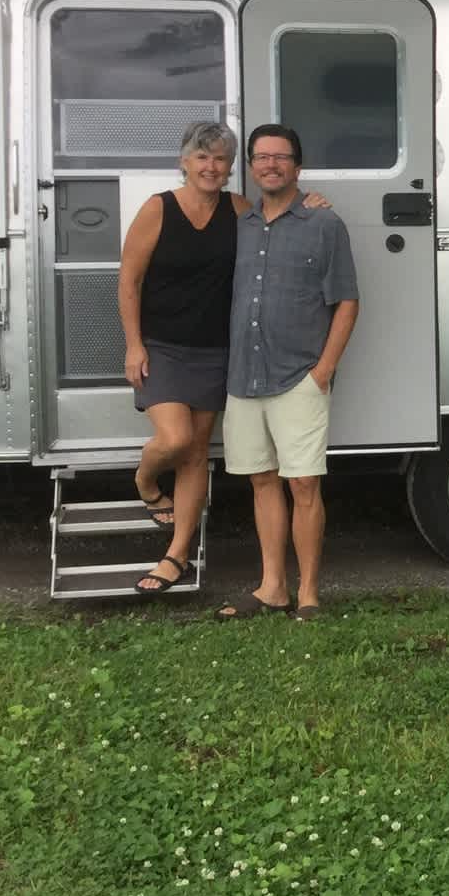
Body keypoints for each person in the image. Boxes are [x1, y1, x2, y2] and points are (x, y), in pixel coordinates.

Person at [117, 121, 330, 597]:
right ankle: (146, 479)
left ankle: (177, 554)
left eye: (220, 159)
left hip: (217, 350)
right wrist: (134, 344)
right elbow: (129, 280)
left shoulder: (237, 210)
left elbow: (280, 218)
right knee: (174, 439)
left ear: (231, 166)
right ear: (184, 162)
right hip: (163, 347)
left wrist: (312, 203)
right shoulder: (158, 209)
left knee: (196, 453)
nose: (211, 167)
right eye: (202, 157)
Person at [217, 124, 359, 620]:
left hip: (299, 375)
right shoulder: (240, 224)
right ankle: (273, 587)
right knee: (262, 481)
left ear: (297, 167)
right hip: (244, 376)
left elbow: (347, 301)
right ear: (251, 167)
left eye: (280, 157)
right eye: (261, 157)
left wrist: (324, 369)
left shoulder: (324, 223)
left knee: (303, 485)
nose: (271, 165)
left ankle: (309, 594)